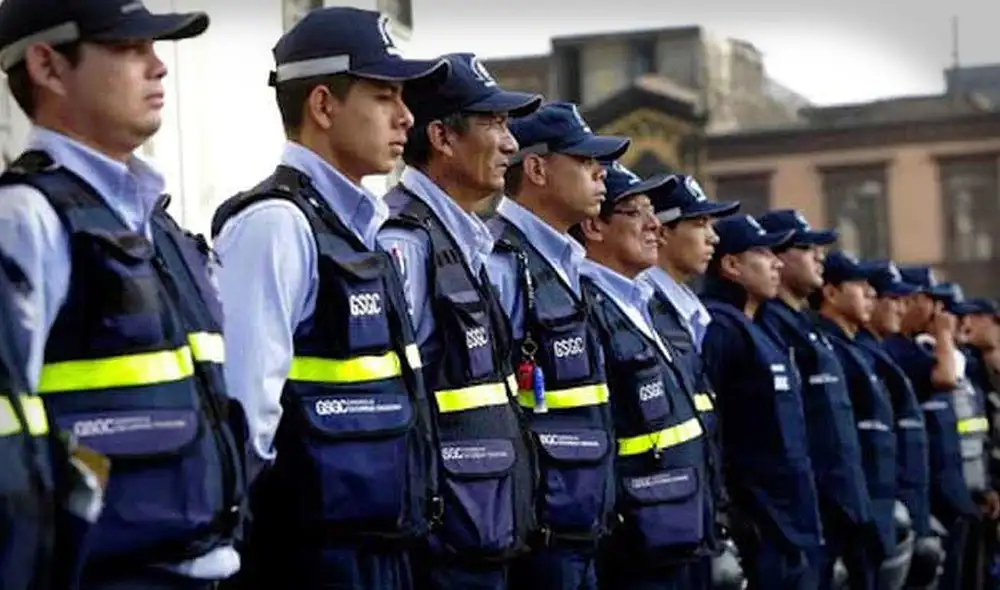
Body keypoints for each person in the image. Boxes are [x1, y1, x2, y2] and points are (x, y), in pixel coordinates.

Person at [0, 1, 245, 588]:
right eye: (129, 48)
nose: (158, 67)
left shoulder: (154, 223)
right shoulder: (26, 217)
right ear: (48, 66)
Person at [209, 8, 449, 590]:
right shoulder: (277, 226)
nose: (406, 116)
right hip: (309, 561)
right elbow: (244, 419)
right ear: (322, 105)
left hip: (382, 551)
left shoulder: (360, 230)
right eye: (385, 95)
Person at [377, 52, 542, 590]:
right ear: (443, 138)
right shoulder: (404, 243)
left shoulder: (468, 243)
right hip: (438, 549)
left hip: (483, 533)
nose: (511, 144)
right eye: (494, 124)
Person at [485, 101, 630, 590]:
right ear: (538, 168)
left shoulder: (567, 261)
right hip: (536, 531)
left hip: (583, 518)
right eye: (586, 163)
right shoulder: (500, 261)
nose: (601, 176)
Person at [572, 163, 712, 589]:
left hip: (680, 530)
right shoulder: (585, 306)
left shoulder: (648, 305)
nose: (655, 226)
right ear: (595, 226)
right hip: (634, 546)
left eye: (654, 212)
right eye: (636, 212)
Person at [699, 214, 824, 590]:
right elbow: (711, 426)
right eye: (763, 253)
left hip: (788, 521)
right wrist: (728, 515)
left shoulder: (758, 327)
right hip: (756, 524)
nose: (777, 262)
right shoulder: (720, 328)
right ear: (732, 265)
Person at [754, 211, 873, 590]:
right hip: (813, 510)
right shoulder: (770, 324)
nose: (818, 256)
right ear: (776, 256)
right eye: (805, 248)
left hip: (841, 507)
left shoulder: (808, 327)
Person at [639, 174, 742, 588]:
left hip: (696, 516)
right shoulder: (645, 306)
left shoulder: (686, 309)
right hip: (660, 525)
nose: (713, 237)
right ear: (661, 232)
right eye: (700, 224)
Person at [884, 267, 979, 590]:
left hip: (942, 492)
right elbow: (946, 377)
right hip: (921, 495)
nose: (941, 314)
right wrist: (943, 335)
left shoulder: (919, 349)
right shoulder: (898, 351)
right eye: (933, 302)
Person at [813, 251, 900, 589]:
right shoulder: (827, 348)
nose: (871, 294)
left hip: (873, 505)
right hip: (847, 513)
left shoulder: (854, 351)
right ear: (831, 292)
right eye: (859, 285)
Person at [858, 261, 942, 590]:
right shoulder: (867, 356)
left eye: (905, 300)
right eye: (892, 299)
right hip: (879, 511)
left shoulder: (882, 356)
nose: (901, 307)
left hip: (908, 502)